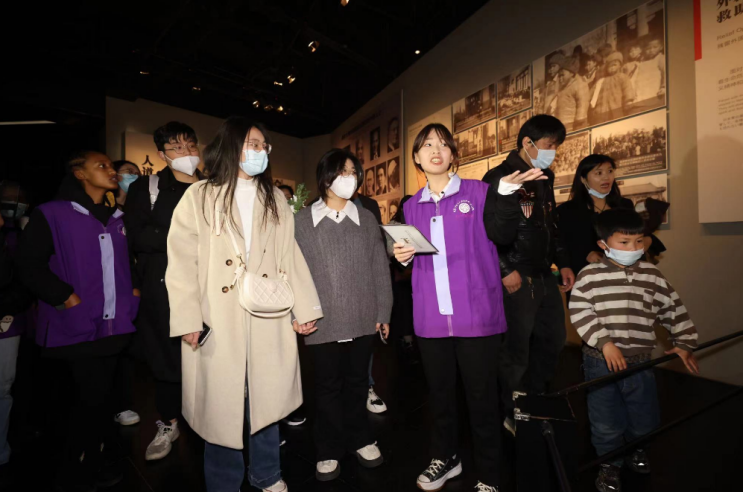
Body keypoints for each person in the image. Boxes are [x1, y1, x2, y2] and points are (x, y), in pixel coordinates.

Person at [166, 117, 321, 492]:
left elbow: (290, 256)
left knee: (267, 397)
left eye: (264, 145)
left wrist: (304, 309)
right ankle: (223, 482)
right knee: (221, 406)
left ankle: (267, 473)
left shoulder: (276, 199)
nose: (260, 151)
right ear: (232, 146)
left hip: (268, 310)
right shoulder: (200, 195)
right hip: (217, 315)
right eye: (252, 144)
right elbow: (182, 261)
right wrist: (187, 318)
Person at [394, 123, 544, 492]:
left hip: (476, 315)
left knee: (481, 400)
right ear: (416, 158)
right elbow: (410, 253)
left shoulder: (479, 192)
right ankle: (446, 458)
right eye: (427, 145)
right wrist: (401, 255)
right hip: (431, 317)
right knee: (440, 396)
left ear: (453, 155)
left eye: (443, 144)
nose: (435, 150)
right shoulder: (410, 206)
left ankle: (490, 474)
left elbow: (503, 234)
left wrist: (505, 196)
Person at [16, 151, 140, 491]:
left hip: (116, 324)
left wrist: (134, 293)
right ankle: (79, 467)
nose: (112, 171)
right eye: (102, 166)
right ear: (79, 173)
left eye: (111, 166)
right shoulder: (52, 213)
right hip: (76, 325)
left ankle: (92, 459)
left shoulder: (117, 216)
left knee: (100, 398)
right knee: (87, 399)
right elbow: (28, 264)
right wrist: (66, 297)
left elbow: (129, 262)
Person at [569, 208, 699, 492]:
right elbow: (580, 311)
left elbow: (672, 308)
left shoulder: (651, 273)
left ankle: (638, 448)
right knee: (605, 418)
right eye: (624, 242)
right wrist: (605, 343)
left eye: (639, 241)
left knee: (644, 414)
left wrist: (684, 342)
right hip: (600, 361)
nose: (633, 248)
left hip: (640, 360)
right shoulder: (589, 276)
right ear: (603, 244)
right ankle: (609, 464)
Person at [295, 148, 392, 481]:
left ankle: (361, 438)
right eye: (342, 171)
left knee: (357, 383)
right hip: (321, 320)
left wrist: (384, 311)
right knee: (326, 387)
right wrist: (297, 313)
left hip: (363, 316)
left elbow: (380, 268)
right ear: (325, 176)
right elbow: (292, 272)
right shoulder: (302, 221)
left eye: (353, 172)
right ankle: (328, 448)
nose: (348, 178)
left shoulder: (366, 218)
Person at [482, 114, 575, 436]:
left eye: (556, 146)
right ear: (528, 142)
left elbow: (551, 224)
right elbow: (486, 230)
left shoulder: (544, 176)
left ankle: (535, 398)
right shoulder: (498, 176)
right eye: (550, 145)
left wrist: (563, 262)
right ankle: (512, 410)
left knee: (553, 340)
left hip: (545, 274)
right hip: (516, 275)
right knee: (516, 350)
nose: (553, 152)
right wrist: (505, 269)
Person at [123, 121, 203, 461]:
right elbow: (137, 236)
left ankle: (207, 420)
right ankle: (169, 423)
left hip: (209, 286)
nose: (186, 153)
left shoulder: (212, 187)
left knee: (209, 356)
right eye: (177, 147)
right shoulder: (147, 188)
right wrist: (186, 238)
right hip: (163, 287)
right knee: (167, 357)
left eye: (191, 146)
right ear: (161, 154)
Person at [557, 154, 638, 283]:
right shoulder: (567, 210)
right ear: (583, 179)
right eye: (599, 173)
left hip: (624, 275)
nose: (606, 177)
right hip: (586, 276)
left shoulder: (624, 205)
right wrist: (585, 255)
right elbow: (562, 245)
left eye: (610, 171)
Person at [0, 181, 34, 473]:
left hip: (8, 321)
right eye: (8, 198)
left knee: (3, 386)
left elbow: (27, 277)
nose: (14, 203)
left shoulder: (22, 233)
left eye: (19, 198)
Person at [588, 51, 635, 126]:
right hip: (600, 111)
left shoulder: (622, 77)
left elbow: (627, 90)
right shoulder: (601, 81)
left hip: (616, 109)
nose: (612, 68)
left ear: (620, 65)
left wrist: (628, 102)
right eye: (609, 66)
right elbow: (590, 95)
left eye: (614, 65)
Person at [553, 55, 589, 131]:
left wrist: (579, 120)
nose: (560, 78)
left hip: (573, 124)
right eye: (559, 76)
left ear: (571, 73)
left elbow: (583, 102)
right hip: (562, 124)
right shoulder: (563, 88)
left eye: (563, 75)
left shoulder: (579, 84)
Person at [634, 38, 665, 105]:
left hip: (655, 91)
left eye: (655, 47)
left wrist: (664, 87)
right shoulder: (642, 61)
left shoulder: (661, 58)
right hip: (642, 92)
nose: (651, 50)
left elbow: (665, 73)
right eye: (648, 48)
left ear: (661, 47)